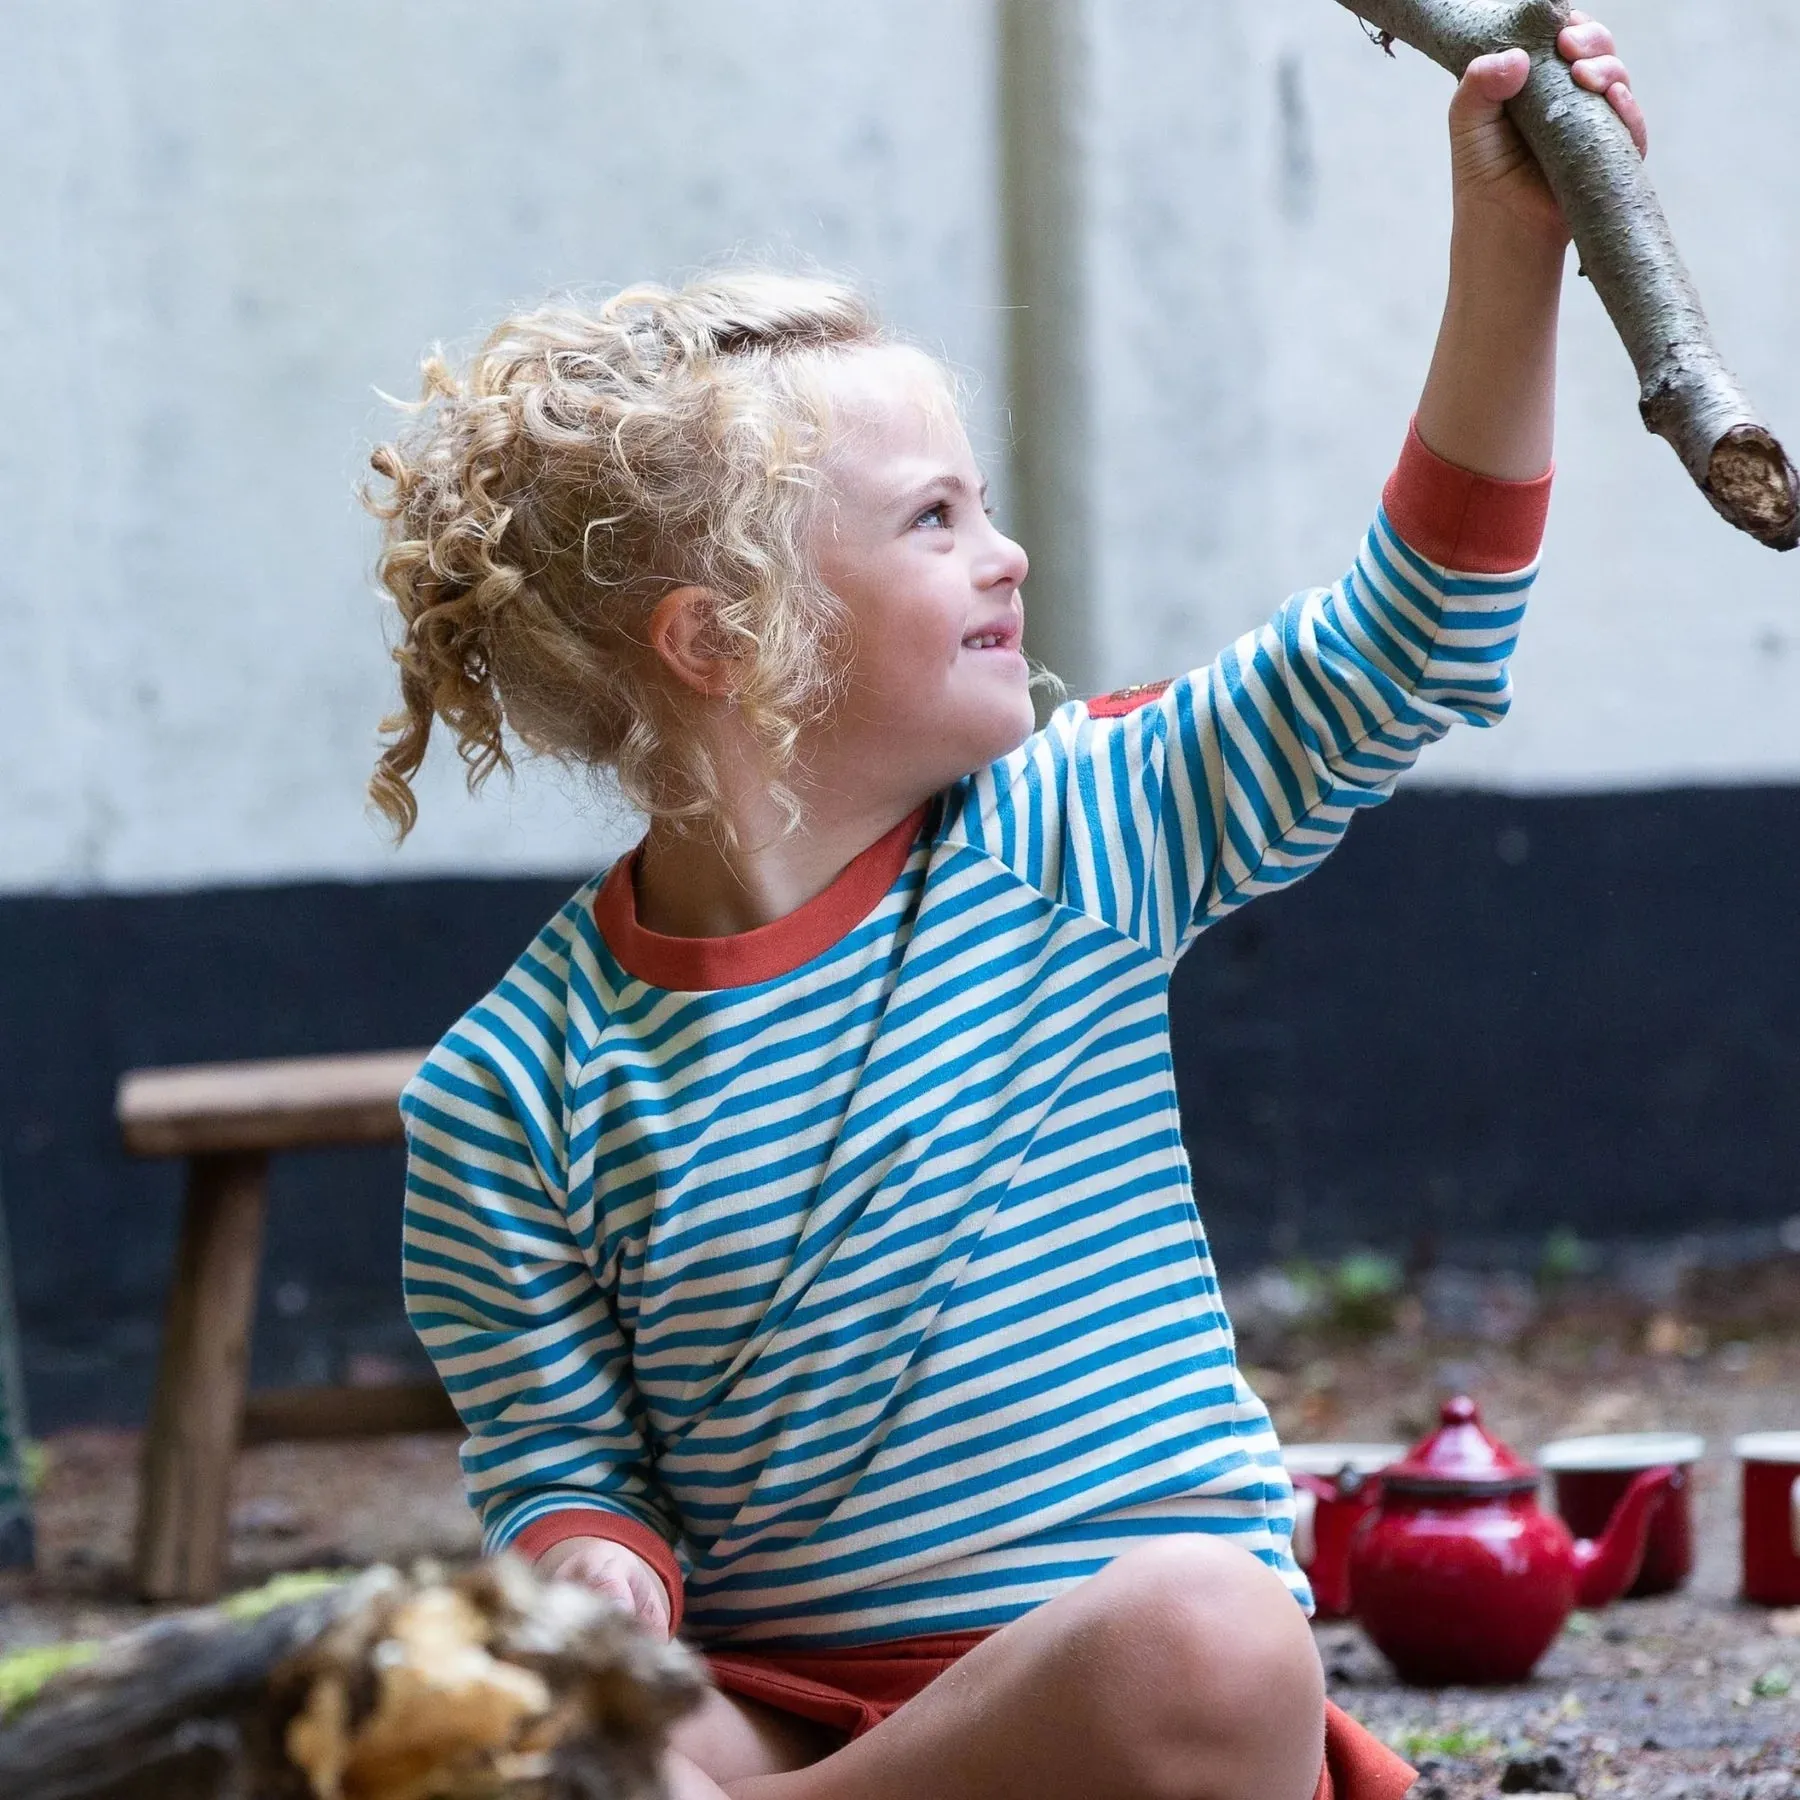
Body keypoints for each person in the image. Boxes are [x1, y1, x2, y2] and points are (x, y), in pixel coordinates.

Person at [372, 17, 1647, 1799]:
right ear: (727, 639)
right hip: (774, 1705)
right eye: (936, 518)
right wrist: (591, 1582)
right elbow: (563, 1472)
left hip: (1129, 1712)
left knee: (1214, 1631)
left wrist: (1511, 248)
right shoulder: (506, 1093)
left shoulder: (1083, 834)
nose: (1009, 554)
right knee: (492, 1719)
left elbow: (1417, 631)